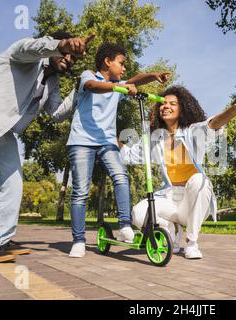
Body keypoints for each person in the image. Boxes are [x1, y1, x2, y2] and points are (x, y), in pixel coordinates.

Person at [0, 31, 93, 263]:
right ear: (54, 47)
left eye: (73, 58)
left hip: (3, 129)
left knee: (13, 182)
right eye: (65, 54)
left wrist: (80, 90)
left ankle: (2, 239)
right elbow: (29, 48)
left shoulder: (52, 81)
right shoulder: (28, 53)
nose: (68, 59)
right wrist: (61, 44)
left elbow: (56, 113)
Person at [120, 85, 236, 259]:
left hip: (192, 198)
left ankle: (192, 243)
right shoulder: (155, 138)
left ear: (182, 108)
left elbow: (213, 124)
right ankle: (172, 231)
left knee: (200, 179)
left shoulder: (192, 131)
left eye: (172, 103)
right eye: (162, 103)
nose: (165, 106)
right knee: (138, 214)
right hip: (168, 197)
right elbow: (129, 155)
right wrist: (113, 139)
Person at [66, 42, 170, 258]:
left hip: (107, 142)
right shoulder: (88, 76)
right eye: (121, 64)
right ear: (107, 61)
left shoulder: (119, 84)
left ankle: (124, 226)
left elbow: (133, 81)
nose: (124, 69)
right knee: (80, 192)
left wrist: (154, 75)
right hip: (81, 140)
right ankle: (78, 240)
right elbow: (93, 86)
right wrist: (118, 87)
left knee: (121, 176)